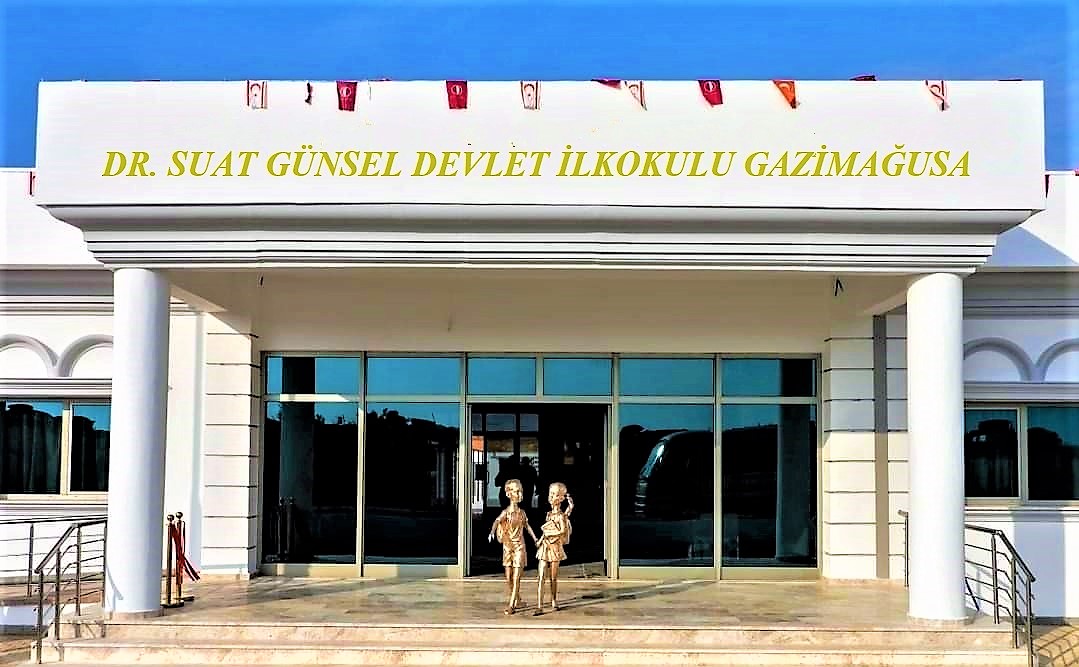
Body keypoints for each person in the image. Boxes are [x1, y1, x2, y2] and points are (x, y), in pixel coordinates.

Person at [488, 479, 538, 615]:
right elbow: (497, 521)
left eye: (520, 491)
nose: (520, 494)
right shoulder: (506, 512)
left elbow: (527, 526)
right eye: (516, 492)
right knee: (508, 577)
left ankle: (512, 605)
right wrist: (492, 532)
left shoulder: (522, 513)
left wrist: (535, 539)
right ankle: (518, 599)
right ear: (508, 494)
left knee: (516, 577)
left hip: (519, 547)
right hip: (507, 547)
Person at [534, 482, 574, 615]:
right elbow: (546, 530)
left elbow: (562, 530)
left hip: (555, 548)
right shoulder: (549, 514)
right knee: (541, 576)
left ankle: (553, 600)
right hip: (545, 547)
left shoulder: (561, 516)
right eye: (550, 494)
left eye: (555, 495)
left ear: (561, 498)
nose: (551, 497)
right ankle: (539, 604)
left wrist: (550, 534)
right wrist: (540, 540)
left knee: (553, 577)